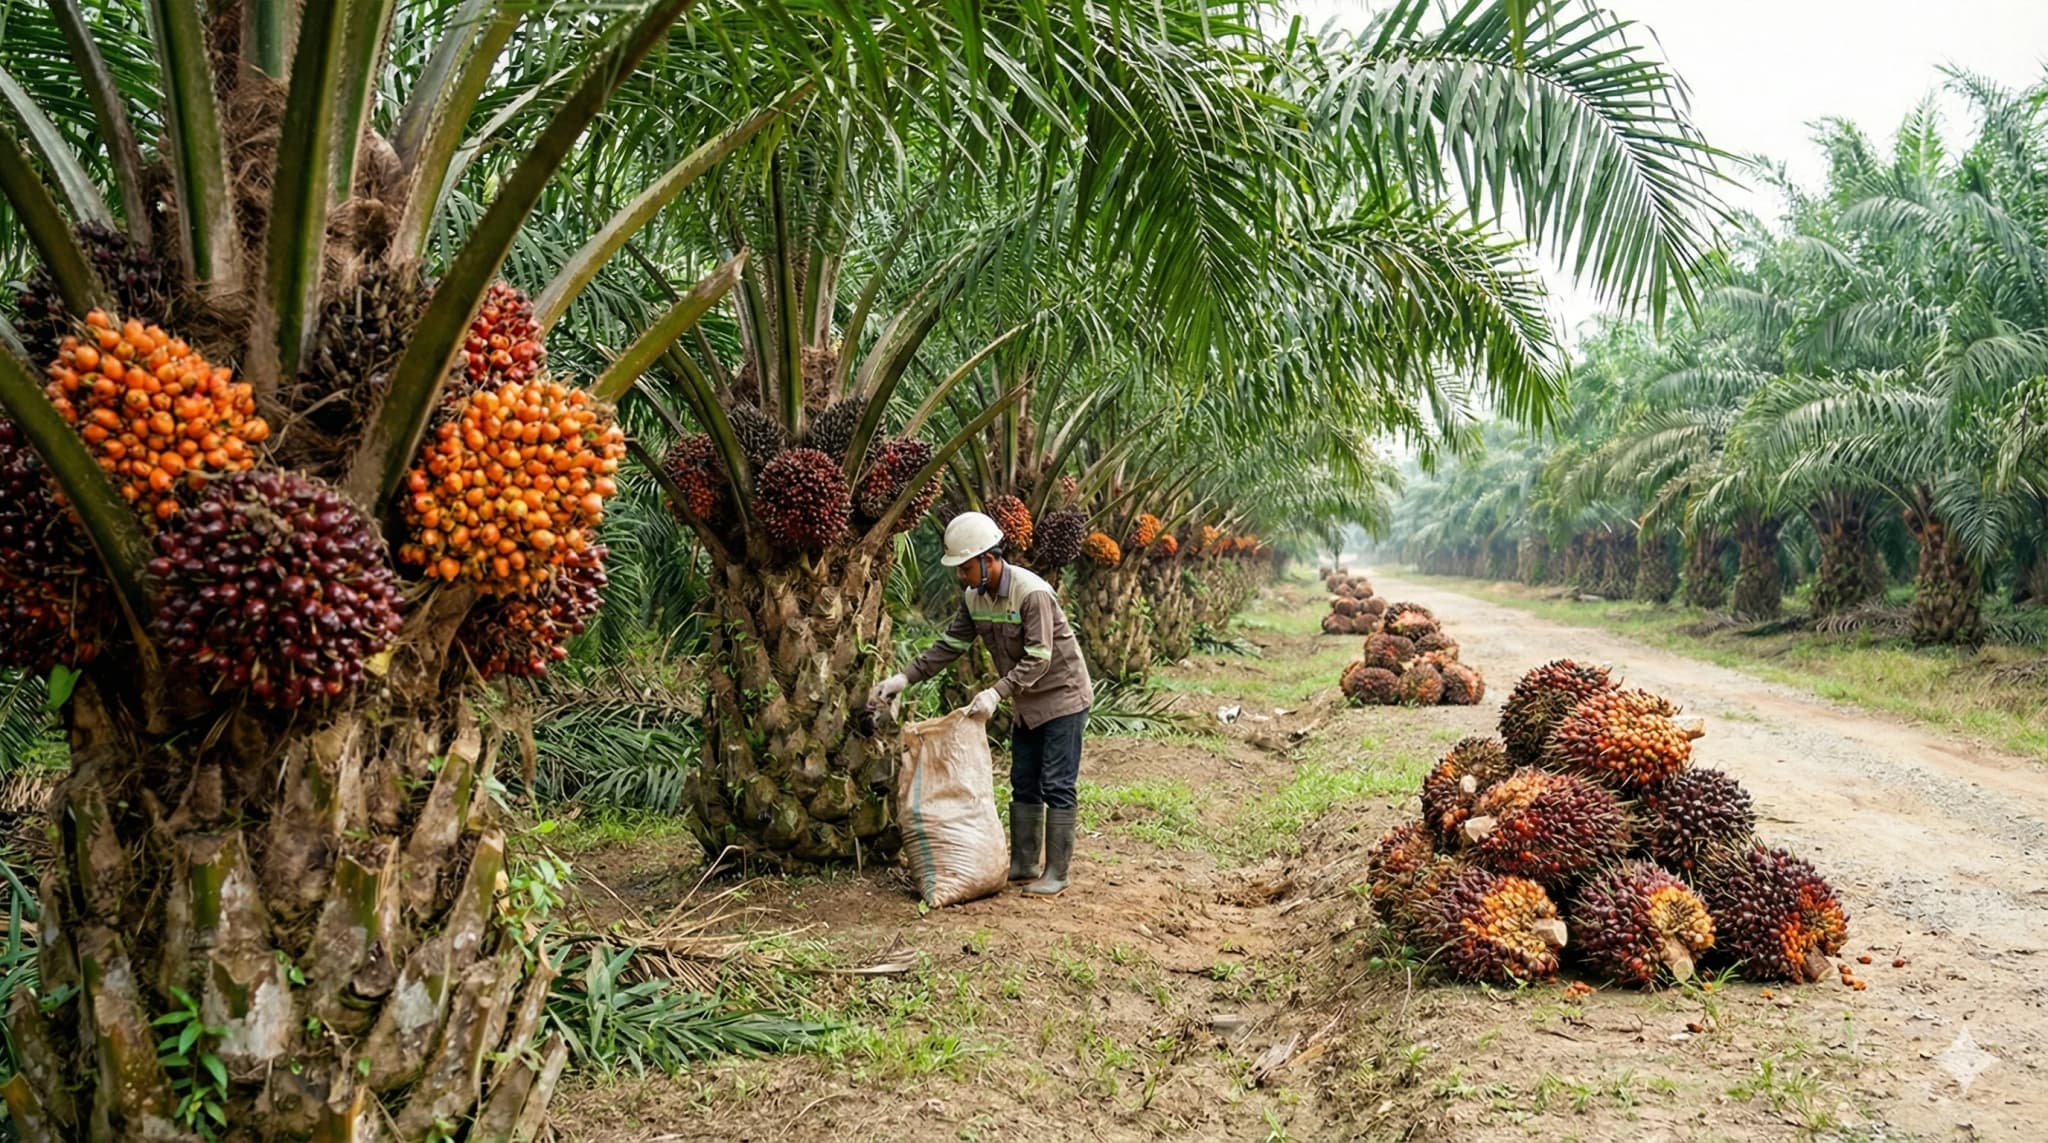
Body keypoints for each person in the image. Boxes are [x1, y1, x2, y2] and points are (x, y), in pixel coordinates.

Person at [871, 511, 1093, 897]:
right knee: (1023, 780)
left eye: (966, 567)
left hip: (1062, 698)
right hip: (1026, 702)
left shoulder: (1031, 592)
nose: (961, 576)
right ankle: (1024, 863)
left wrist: (995, 693)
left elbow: (1039, 658)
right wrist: (903, 679)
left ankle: (1057, 872)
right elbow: (950, 646)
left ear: (989, 559)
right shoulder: (975, 598)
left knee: (1056, 784)